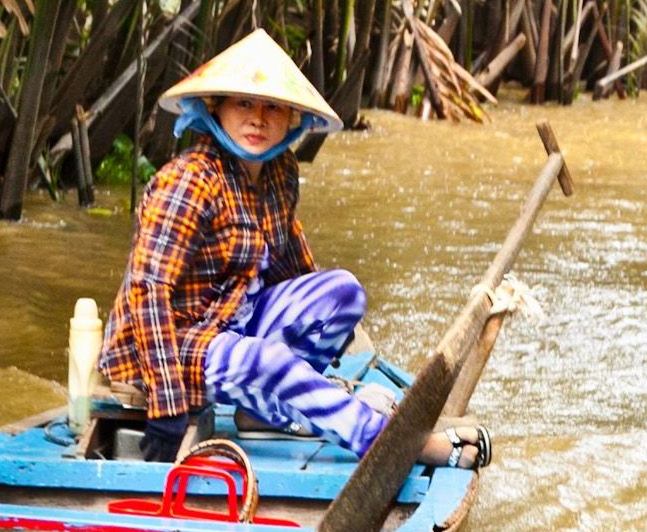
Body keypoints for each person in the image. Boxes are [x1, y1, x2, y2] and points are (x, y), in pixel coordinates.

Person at [98, 29, 484, 467]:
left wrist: (326, 339)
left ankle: (260, 412)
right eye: (244, 103)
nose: (258, 119)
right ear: (216, 108)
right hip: (166, 347)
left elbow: (293, 265)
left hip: (233, 324)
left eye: (272, 107)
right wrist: (167, 401)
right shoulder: (188, 181)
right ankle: (396, 443)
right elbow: (148, 295)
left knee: (344, 292)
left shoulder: (279, 171)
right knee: (265, 360)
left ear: (291, 118)